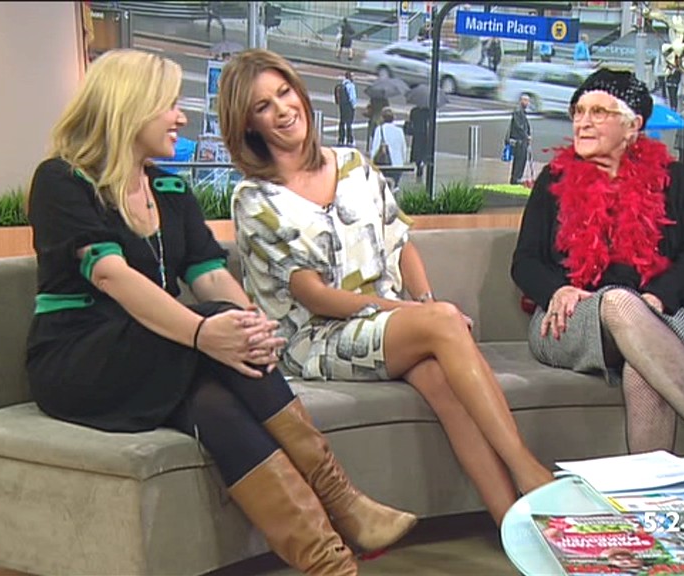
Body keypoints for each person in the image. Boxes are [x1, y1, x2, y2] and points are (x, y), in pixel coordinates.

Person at [26, 49, 415, 576]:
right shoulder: (62, 180)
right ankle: (345, 502)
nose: (180, 117)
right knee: (212, 319)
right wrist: (203, 331)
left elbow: (208, 273)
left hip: (155, 354)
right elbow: (110, 275)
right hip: (79, 358)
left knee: (215, 407)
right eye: (168, 105)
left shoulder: (169, 189)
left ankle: (331, 563)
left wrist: (254, 328)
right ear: (130, 107)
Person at [220, 49, 556, 526]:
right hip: (318, 337)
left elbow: (401, 243)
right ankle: (528, 470)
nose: (282, 109)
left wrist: (425, 303)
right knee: (442, 324)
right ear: (248, 124)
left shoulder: (354, 165)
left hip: (386, 324)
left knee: (440, 381)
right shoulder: (255, 199)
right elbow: (315, 296)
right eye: (263, 106)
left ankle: (515, 526)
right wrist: (417, 316)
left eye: (284, 92)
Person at [511, 68, 684, 457]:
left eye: (598, 112)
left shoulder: (675, 178)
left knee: (644, 371)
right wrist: (557, 289)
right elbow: (524, 261)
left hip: (667, 311)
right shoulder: (553, 180)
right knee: (617, 301)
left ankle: (650, 492)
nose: (583, 122)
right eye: (578, 111)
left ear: (633, 126)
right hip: (573, 317)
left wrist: (659, 296)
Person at [370, 107, 408, 189]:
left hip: (384, 166)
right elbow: (403, 149)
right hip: (398, 166)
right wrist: (402, 161)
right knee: (394, 186)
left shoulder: (379, 130)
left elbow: (375, 149)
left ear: (382, 118)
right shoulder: (399, 131)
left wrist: (372, 161)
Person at [506, 94, 532, 185]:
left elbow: (526, 126)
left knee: (522, 160)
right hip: (519, 141)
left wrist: (528, 135)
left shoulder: (523, 112)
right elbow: (518, 126)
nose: (527, 103)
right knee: (519, 161)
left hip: (523, 141)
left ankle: (518, 178)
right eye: (525, 100)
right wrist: (526, 136)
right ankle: (515, 179)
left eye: (528, 101)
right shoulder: (517, 112)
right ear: (521, 101)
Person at [405, 104, 431, 180]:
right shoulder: (427, 111)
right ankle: (422, 163)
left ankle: (418, 163)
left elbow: (411, 120)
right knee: (423, 150)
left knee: (417, 151)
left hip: (416, 134)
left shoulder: (414, 111)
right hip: (425, 133)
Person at [334, 70, 357, 146]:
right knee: (349, 123)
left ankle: (341, 138)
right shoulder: (351, 85)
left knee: (342, 122)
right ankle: (349, 139)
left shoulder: (342, 85)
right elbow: (352, 98)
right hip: (349, 106)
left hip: (342, 106)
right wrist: (354, 106)